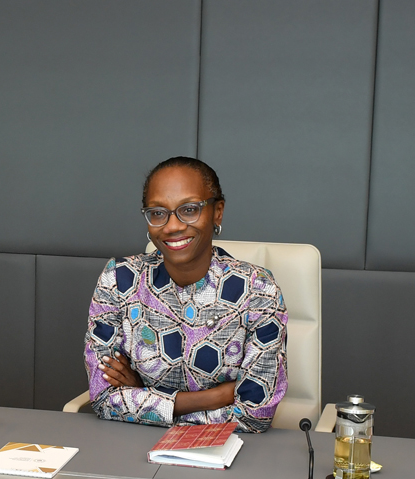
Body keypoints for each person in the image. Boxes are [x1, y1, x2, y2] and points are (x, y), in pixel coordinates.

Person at [83, 157, 288, 432]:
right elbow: (103, 398)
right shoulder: (119, 280)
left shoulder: (257, 290)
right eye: (158, 213)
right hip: (133, 444)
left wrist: (143, 396)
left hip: (229, 450)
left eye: (189, 210)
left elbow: (254, 414)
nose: (172, 226)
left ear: (217, 212)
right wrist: (217, 397)